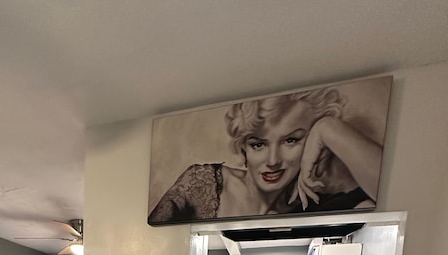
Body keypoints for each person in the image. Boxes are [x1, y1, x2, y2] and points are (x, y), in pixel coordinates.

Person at [147, 86, 384, 224]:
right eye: (258, 144)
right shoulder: (202, 182)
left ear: (312, 146)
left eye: (291, 140)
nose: (272, 161)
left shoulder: (318, 206)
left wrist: (328, 129)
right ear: (244, 149)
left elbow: (394, 200)